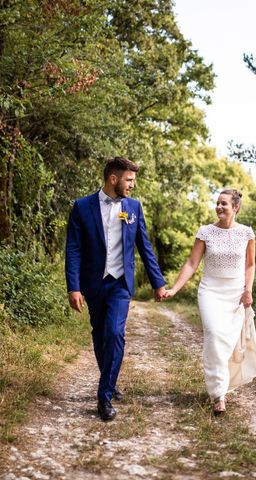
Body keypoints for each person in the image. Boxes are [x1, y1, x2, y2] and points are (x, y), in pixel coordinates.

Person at [65, 156, 167, 421]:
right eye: (129, 179)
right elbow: (74, 250)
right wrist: (73, 287)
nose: (132, 185)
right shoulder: (82, 207)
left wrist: (158, 283)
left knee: (115, 333)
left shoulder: (133, 207)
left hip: (121, 283)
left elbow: (144, 247)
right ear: (114, 179)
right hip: (93, 283)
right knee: (100, 335)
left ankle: (104, 396)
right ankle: (109, 381)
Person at [163, 189, 256, 415]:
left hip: (235, 293)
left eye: (224, 204)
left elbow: (250, 265)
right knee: (213, 336)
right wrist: (174, 289)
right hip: (210, 291)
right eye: (217, 203)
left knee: (227, 343)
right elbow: (192, 263)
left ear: (235, 208)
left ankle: (223, 383)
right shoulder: (206, 232)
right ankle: (218, 395)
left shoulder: (247, 234)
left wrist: (248, 290)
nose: (219, 207)